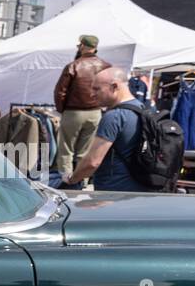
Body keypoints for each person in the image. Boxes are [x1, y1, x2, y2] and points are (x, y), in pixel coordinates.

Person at [65, 67, 151, 192]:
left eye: (97, 89)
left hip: (112, 195)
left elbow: (92, 162)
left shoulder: (115, 116)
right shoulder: (142, 109)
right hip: (137, 189)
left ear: (114, 86)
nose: (92, 94)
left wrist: (72, 179)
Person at [54, 34, 111, 178]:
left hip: (74, 112)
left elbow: (60, 91)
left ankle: (66, 179)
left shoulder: (74, 65)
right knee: (85, 150)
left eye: (79, 45)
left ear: (83, 46)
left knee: (66, 148)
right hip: (96, 112)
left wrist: (62, 110)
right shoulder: (105, 66)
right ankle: (82, 179)